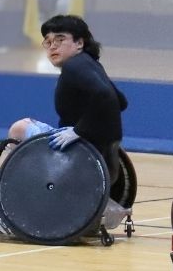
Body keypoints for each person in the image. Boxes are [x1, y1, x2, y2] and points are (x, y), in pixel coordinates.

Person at [8, 14, 128, 184]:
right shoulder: (90, 64)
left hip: (83, 156)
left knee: (19, 129)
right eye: (48, 42)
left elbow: (106, 97)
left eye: (60, 39)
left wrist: (78, 131)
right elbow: (121, 101)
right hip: (106, 158)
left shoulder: (74, 66)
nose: (52, 47)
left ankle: (17, 187)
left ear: (79, 43)